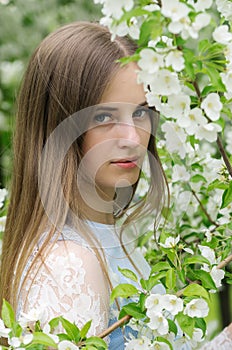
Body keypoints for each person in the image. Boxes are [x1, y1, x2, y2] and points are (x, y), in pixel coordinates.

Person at [0, 21, 231, 349]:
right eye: (103, 117)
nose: (133, 139)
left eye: (140, 113)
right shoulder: (69, 264)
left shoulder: (104, 235)